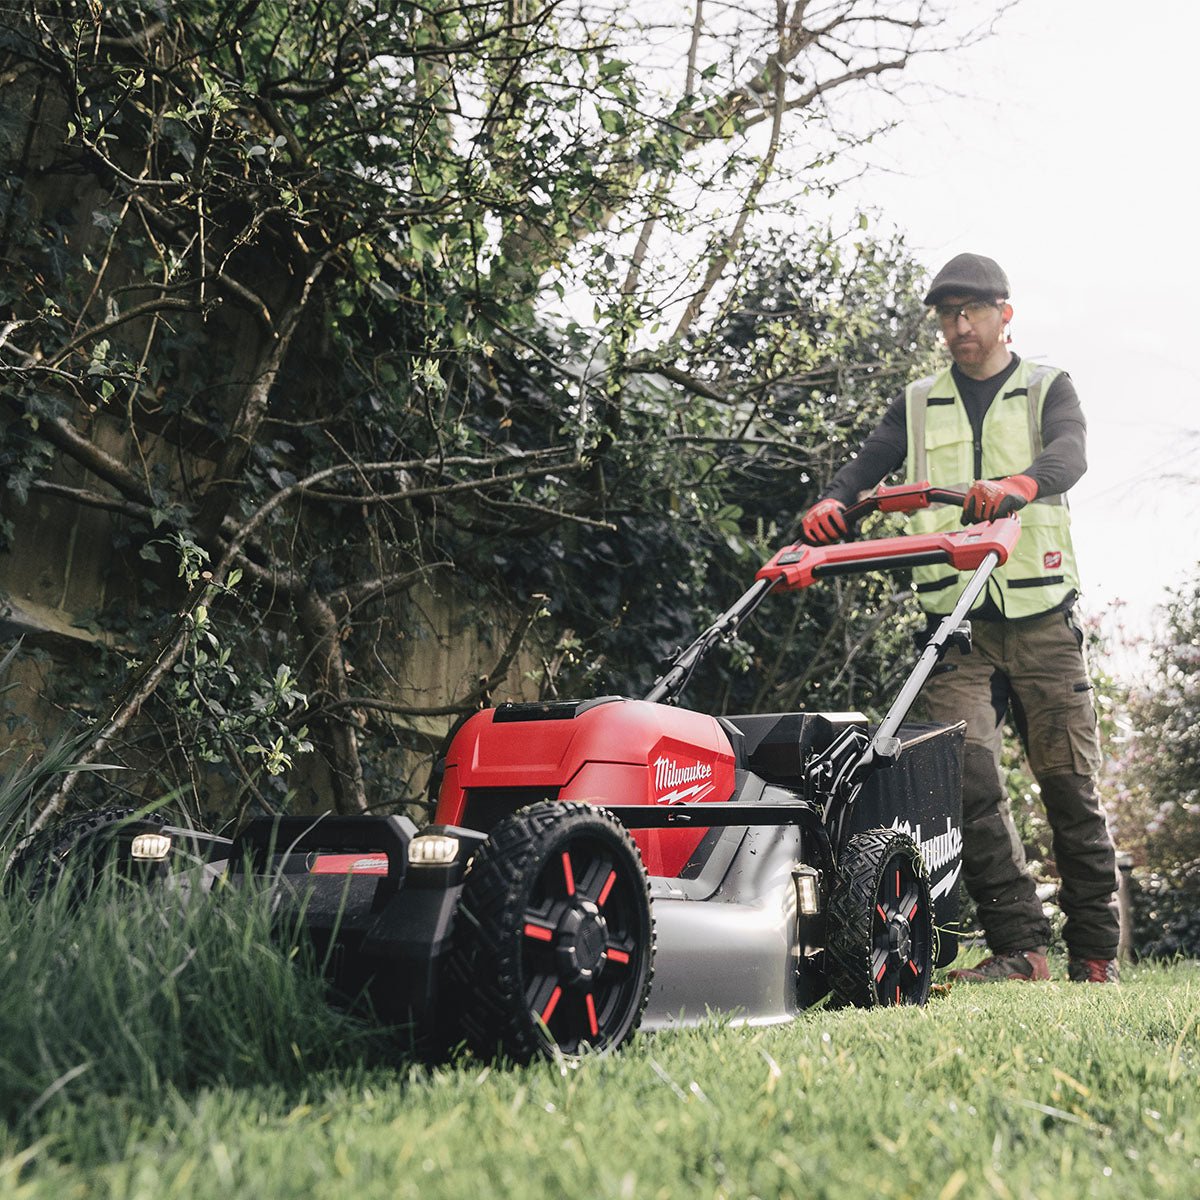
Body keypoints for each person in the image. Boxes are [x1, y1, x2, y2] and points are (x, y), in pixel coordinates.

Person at [802, 252, 1120, 984]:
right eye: (947, 316)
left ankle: (1096, 953)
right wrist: (834, 502)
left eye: (971, 312)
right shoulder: (919, 402)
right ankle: (1022, 948)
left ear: (1004, 314)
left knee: (1069, 782)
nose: (958, 327)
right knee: (964, 778)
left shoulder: (1047, 387)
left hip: (1042, 618)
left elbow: (1070, 455)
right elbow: (867, 464)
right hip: (958, 626)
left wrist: (1021, 483)